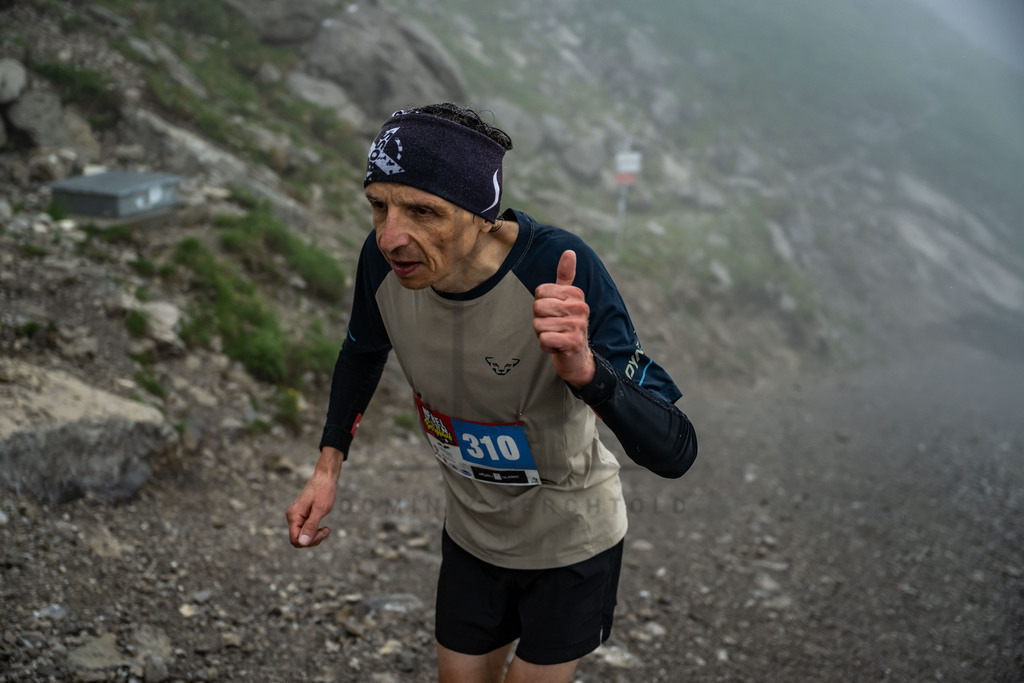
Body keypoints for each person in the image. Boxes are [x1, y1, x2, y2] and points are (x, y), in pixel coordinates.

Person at [286, 102, 697, 683]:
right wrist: (328, 468)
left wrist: (586, 369)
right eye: (378, 206)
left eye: (423, 211)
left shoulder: (557, 267)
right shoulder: (384, 265)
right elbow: (361, 352)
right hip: (472, 536)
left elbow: (677, 449)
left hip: (570, 542)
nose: (390, 236)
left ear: (482, 215)